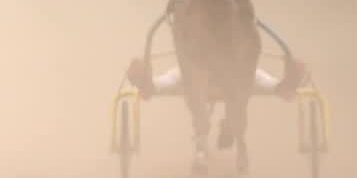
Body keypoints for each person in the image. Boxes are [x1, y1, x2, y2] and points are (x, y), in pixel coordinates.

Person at [126, 56, 304, 101]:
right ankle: (149, 84)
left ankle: (284, 85)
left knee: (173, 78)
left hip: (234, 72)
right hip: (199, 71)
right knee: (174, 77)